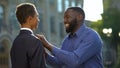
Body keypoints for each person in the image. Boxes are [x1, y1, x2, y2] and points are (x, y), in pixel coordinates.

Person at [37, 7, 104, 68]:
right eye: (64, 18)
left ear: (79, 17)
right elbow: (59, 63)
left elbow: (75, 60)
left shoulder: (91, 36)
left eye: (67, 17)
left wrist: (48, 45)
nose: (64, 21)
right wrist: (44, 54)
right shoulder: (66, 40)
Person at [10, 3, 46, 68]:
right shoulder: (35, 42)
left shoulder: (15, 42)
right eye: (37, 16)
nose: (38, 20)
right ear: (30, 19)